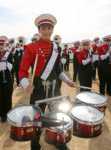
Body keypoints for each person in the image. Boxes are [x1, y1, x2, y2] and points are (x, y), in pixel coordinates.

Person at [19, 13, 75, 150]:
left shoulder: (57, 48)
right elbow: (22, 72)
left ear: (52, 30)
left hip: (55, 89)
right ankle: (35, 145)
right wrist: (26, 85)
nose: (46, 31)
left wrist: (68, 81)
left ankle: (59, 142)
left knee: (57, 116)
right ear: (39, 30)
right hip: (38, 89)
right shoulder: (30, 48)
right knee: (37, 119)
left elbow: (58, 70)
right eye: (43, 28)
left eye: (48, 28)